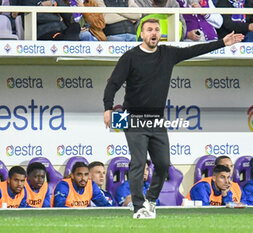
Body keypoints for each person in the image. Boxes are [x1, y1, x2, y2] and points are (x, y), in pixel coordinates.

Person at [103, 20, 243, 218]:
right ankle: (137, 207)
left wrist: (222, 42)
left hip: (156, 120)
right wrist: (108, 108)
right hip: (133, 118)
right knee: (138, 162)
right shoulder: (130, 57)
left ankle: (150, 200)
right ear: (142, 35)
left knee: (162, 164)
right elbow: (113, 84)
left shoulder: (167, 54)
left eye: (157, 29)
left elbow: (194, 50)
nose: (154, 32)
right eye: (149, 29)